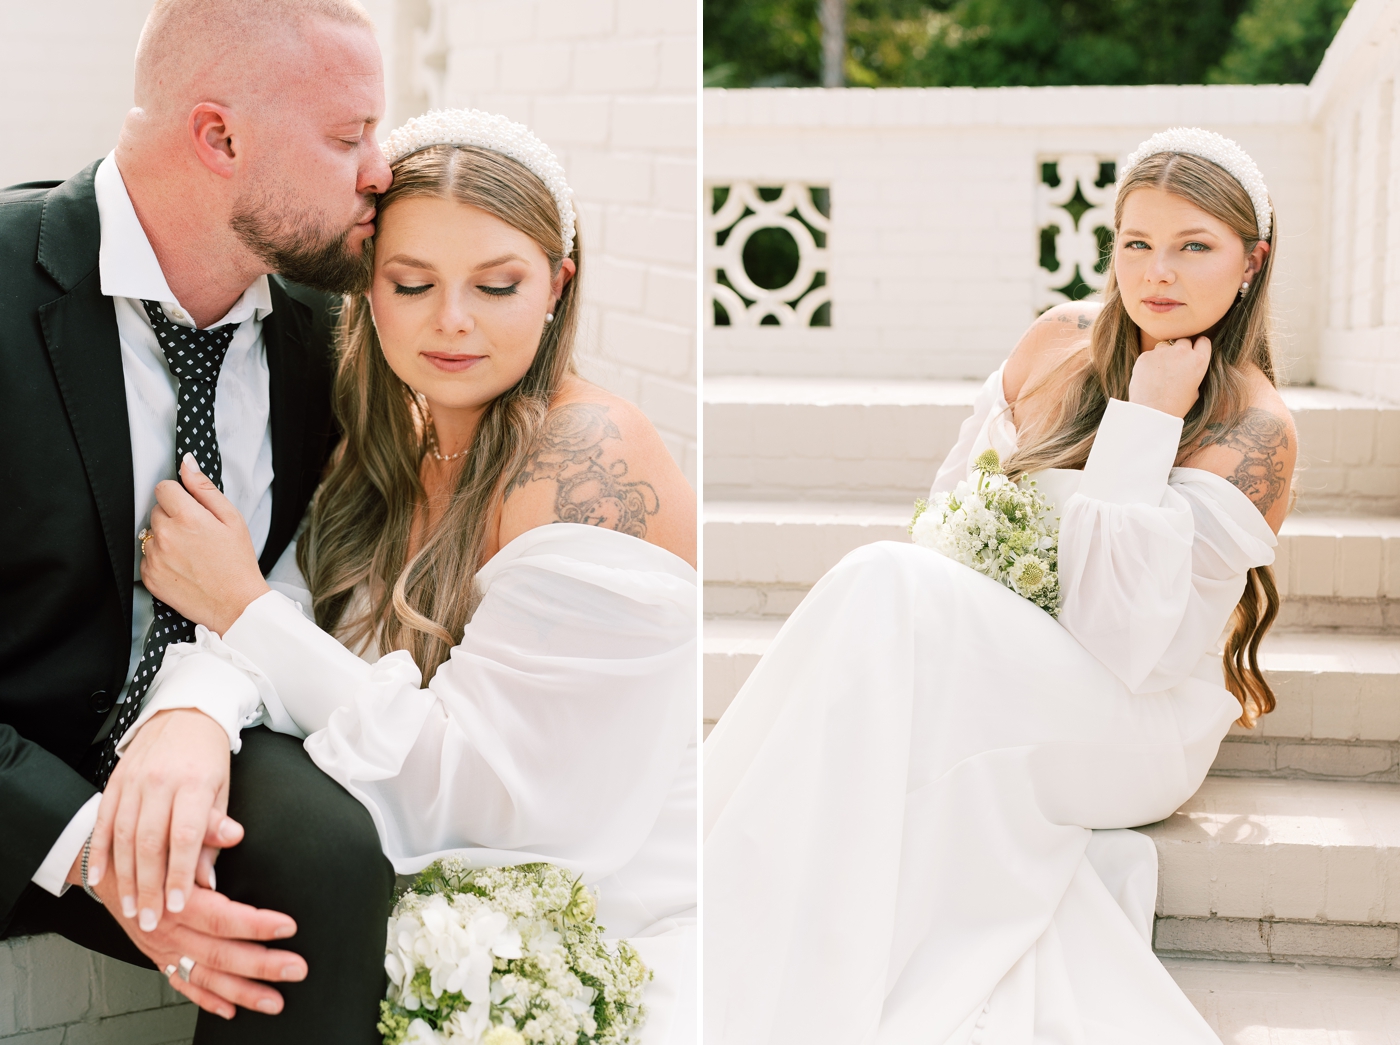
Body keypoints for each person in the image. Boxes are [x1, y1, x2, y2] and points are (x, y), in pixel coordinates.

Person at [99, 109, 699, 1043]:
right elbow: (292, 613)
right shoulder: (393, 444)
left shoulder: (587, 460)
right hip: (405, 924)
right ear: (366, 294)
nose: (451, 321)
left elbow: (496, 801)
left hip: (586, 935)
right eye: (412, 283)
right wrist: (194, 711)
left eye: (497, 285)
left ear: (556, 286)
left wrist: (236, 606)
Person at [704, 128, 1295, 1044]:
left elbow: (1127, 639)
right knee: (887, 583)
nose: (1157, 273)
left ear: (1251, 262)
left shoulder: (1254, 427)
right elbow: (948, 512)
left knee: (885, 587)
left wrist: (1145, 420)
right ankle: (762, 909)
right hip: (998, 659)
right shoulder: (1058, 340)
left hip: (1127, 717)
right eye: (1135, 243)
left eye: (1193, 246)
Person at [0, 1, 400, 1040]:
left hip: (207, 722)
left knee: (329, 855)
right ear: (218, 136)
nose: (380, 170)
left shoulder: (327, 324)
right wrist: (94, 850)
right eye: (348, 136)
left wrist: (197, 708)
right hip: (15, 768)